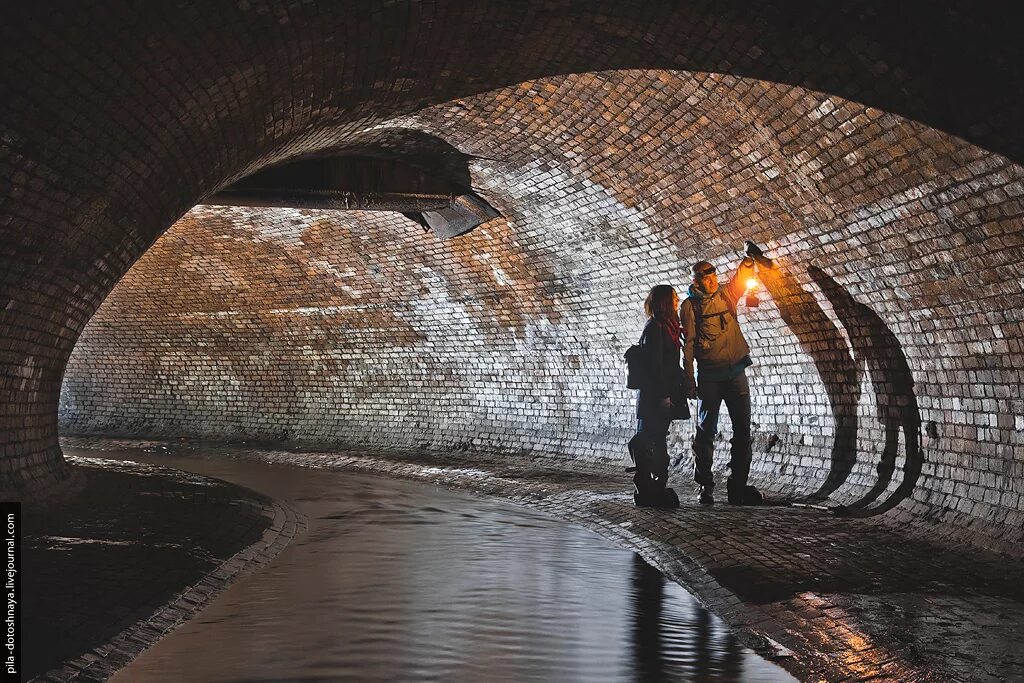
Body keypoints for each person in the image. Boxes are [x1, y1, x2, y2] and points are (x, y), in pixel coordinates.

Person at [679, 250, 762, 506]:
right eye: (706, 277)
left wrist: (748, 262)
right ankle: (705, 484)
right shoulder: (690, 306)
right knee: (705, 431)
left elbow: (740, 278)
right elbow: (689, 345)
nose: (712, 280)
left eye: (714, 274)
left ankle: (738, 486)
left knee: (743, 431)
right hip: (710, 376)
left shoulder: (726, 294)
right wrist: (689, 378)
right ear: (696, 281)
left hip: (736, 369)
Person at [630, 284, 689, 508]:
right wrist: (664, 395)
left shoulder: (666, 327)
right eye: (673, 298)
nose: (677, 301)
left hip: (660, 393)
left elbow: (667, 364)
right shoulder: (655, 328)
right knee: (649, 440)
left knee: (655, 440)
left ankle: (654, 486)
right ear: (664, 302)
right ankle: (645, 486)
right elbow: (656, 367)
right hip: (654, 396)